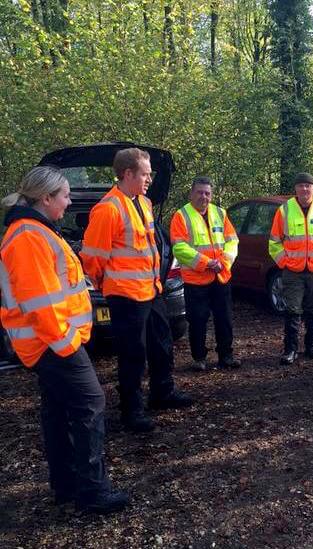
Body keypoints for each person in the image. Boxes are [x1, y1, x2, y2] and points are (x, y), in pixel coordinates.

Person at [0, 166, 129, 514]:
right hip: (52, 343)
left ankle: (68, 485)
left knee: (58, 410)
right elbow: (39, 303)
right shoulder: (28, 236)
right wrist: (67, 341)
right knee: (90, 403)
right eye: (66, 196)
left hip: (50, 342)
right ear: (45, 198)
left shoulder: (37, 231)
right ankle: (92, 491)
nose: (70, 202)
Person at [81, 148, 192, 434]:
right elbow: (93, 258)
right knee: (133, 354)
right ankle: (132, 410)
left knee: (162, 343)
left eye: (150, 173)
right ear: (127, 174)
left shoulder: (143, 202)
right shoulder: (108, 209)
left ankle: (162, 393)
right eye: (145, 173)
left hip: (151, 290)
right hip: (126, 295)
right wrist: (109, 286)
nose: (150, 179)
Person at [269, 172, 313, 365]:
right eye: (301, 186)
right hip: (293, 271)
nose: (305, 189)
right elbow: (274, 242)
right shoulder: (284, 210)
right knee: (292, 310)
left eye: (308, 186)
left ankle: (312, 346)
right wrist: (285, 262)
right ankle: (290, 350)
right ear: (296, 189)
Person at [170, 176, 240, 371]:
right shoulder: (181, 216)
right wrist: (207, 263)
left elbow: (232, 240)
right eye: (200, 192)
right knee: (198, 320)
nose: (204, 196)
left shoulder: (220, 213)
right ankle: (199, 358)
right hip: (196, 279)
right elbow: (179, 248)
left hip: (221, 276)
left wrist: (224, 261)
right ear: (191, 193)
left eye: (207, 193)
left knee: (224, 318)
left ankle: (226, 355)